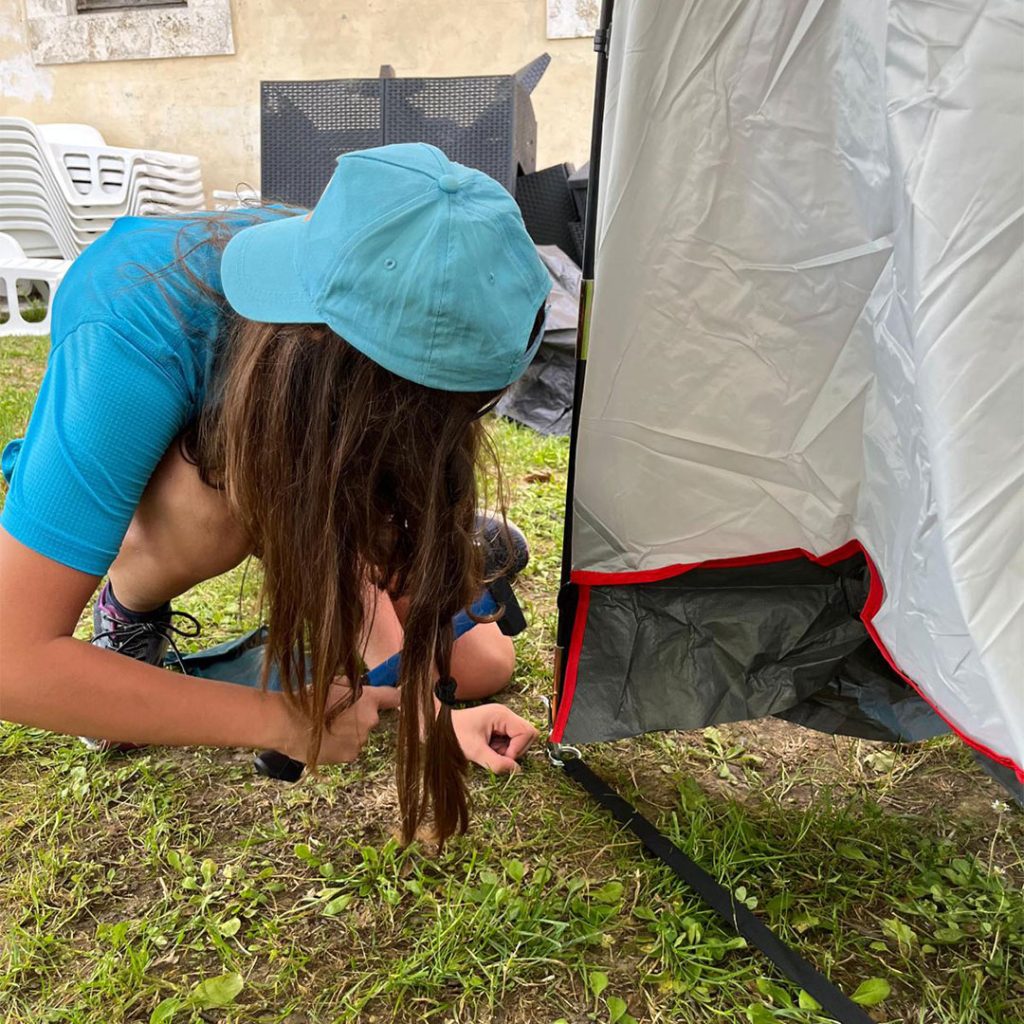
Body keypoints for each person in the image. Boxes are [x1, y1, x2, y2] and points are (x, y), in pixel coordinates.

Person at [0, 143, 551, 846]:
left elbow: (332, 481)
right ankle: (131, 611)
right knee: (215, 513)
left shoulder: (389, 286)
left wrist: (433, 715)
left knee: (482, 666)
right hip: (196, 473)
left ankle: (394, 540)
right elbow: (11, 660)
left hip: (313, 458)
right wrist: (279, 720)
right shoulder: (129, 332)